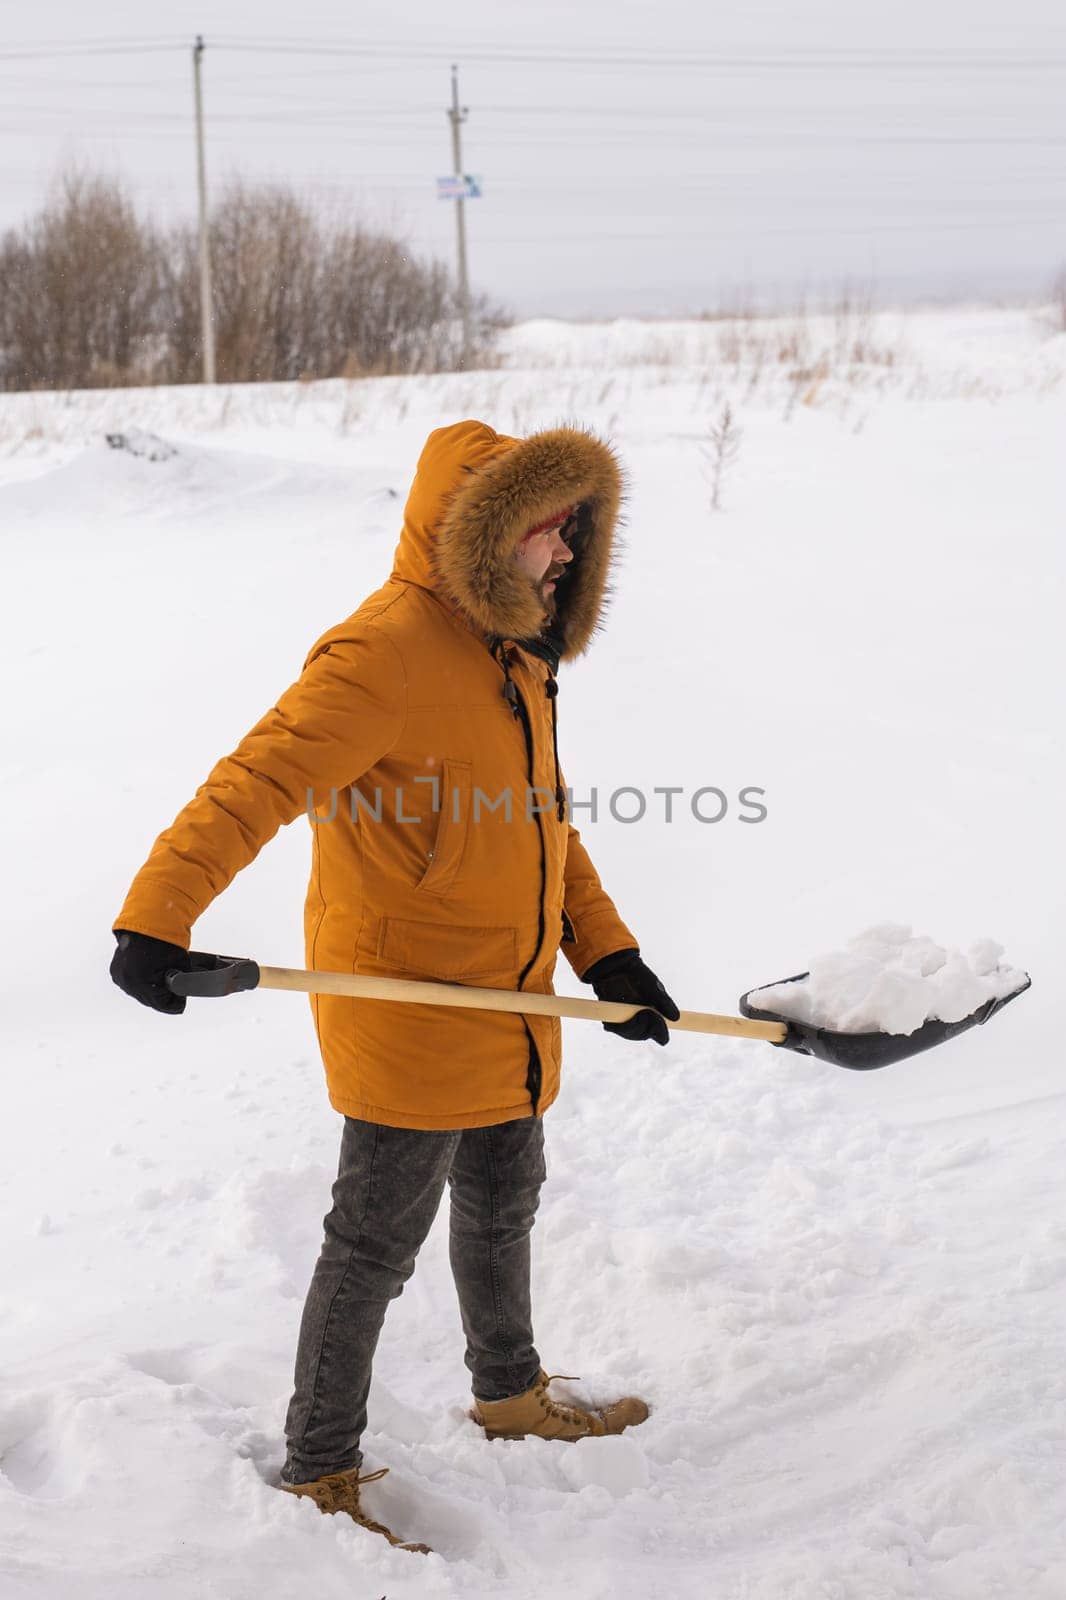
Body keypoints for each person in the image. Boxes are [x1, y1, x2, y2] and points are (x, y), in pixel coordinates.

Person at [110, 419, 679, 1553]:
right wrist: (156, 916)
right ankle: (319, 1464)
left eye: (574, 531)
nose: (565, 553)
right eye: (546, 530)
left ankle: (510, 1392)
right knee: (372, 1242)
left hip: (508, 1001)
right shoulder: (386, 651)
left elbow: (540, 832)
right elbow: (256, 780)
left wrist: (603, 952)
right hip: (410, 1003)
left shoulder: (514, 656)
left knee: (506, 1195)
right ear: (480, 534)